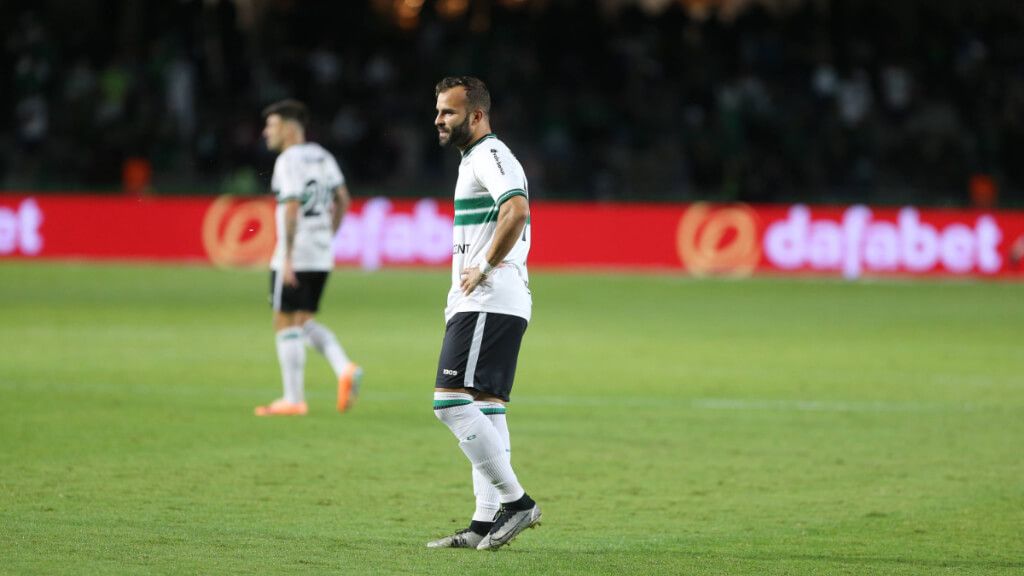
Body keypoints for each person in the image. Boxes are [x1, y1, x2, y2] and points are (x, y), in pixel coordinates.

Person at [426, 76, 541, 551]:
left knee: (449, 402)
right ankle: (483, 520)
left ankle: (516, 503)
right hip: (489, 299)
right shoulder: (474, 159)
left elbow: (516, 210)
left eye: (448, 112)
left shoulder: (490, 155)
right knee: (486, 406)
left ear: (476, 115)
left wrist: (484, 267)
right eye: (437, 111)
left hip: (491, 296)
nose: (438, 120)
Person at [255, 99, 362, 417]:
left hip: (297, 253)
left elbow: (290, 207)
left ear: (288, 127)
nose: (266, 132)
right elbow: (343, 198)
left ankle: (293, 399)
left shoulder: (288, 160)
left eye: (271, 125)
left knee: (284, 321)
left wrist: (286, 256)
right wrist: (329, 233)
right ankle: (344, 367)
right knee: (302, 321)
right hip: (320, 253)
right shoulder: (323, 155)